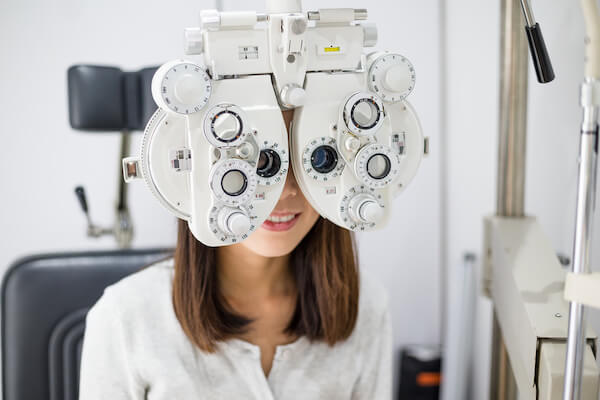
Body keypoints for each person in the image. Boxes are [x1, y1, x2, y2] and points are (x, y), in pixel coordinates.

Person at [78, 109, 393, 400]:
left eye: (315, 159)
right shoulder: (125, 317)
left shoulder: (365, 305)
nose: (285, 191)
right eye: (259, 163)